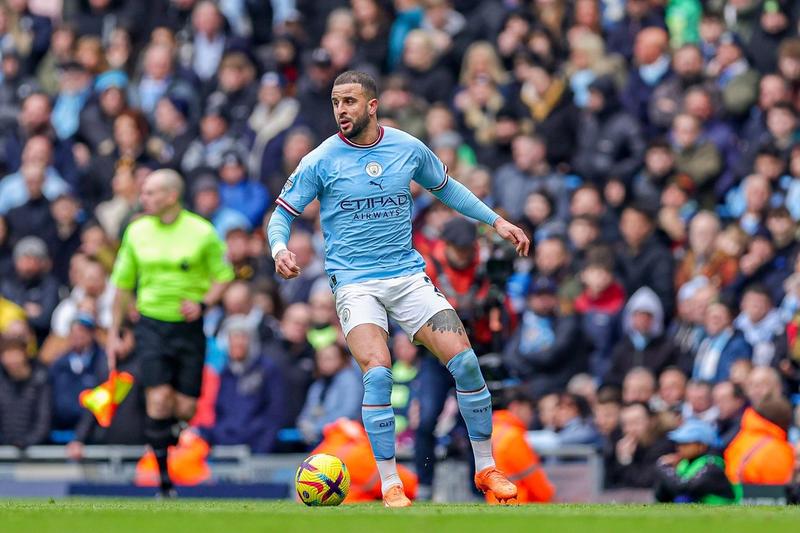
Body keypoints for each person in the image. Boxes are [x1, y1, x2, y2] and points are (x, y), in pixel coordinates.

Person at [267, 71, 529, 507]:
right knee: (378, 371)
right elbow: (281, 215)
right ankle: (391, 483)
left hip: (407, 276)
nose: (341, 111)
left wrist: (496, 221)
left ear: (372, 105)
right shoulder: (320, 159)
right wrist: (279, 249)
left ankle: (486, 469)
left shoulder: (407, 147)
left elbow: (448, 190)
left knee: (465, 363)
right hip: (355, 282)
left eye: (349, 101)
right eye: (335, 102)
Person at [108, 169, 234, 497]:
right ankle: (164, 481)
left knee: (186, 407)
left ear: (170, 196)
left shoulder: (202, 232)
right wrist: (115, 331)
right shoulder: (136, 232)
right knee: (159, 398)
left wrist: (204, 303)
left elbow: (223, 275)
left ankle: (169, 438)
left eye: (150, 192)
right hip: (150, 324)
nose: (143, 198)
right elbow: (122, 286)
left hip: (189, 327)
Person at [489, 389, 556, 504]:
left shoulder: (491, 432)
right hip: (517, 504)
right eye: (529, 409)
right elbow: (534, 480)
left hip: (494, 503)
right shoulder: (513, 436)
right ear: (516, 407)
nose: (531, 416)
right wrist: (549, 497)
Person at [654, 419, 738, 504]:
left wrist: (664, 467)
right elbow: (662, 496)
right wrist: (669, 472)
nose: (679, 448)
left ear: (702, 446)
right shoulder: (684, 463)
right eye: (679, 443)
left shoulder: (712, 464)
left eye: (686, 444)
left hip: (719, 515)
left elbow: (685, 489)